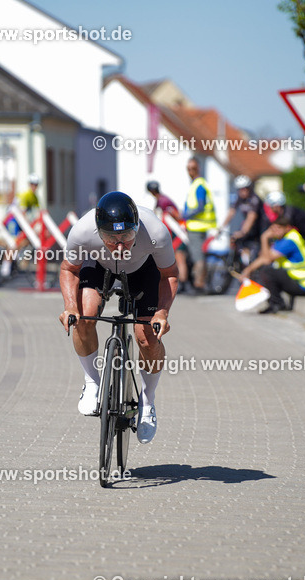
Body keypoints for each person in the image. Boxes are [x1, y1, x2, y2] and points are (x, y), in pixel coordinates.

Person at [58, 191, 178, 444]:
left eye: (126, 236)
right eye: (111, 238)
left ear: (137, 228)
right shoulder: (82, 231)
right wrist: (70, 307)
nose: (120, 246)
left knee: (147, 338)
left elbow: (169, 274)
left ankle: (148, 400)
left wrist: (162, 312)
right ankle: (92, 381)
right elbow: (69, 269)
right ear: (98, 232)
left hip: (142, 270)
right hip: (99, 265)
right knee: (83, 318)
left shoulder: (155, 231)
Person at [239, 212, 305, 314]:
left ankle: (277, 303)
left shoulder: (289, 240)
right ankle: (273, 302)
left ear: (287, 228)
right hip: (296, 280)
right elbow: (263, 257)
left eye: (278, 228)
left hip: (302, 284)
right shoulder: (283, 239)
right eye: (273, 229)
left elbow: (267, 259)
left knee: (267, 271)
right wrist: (247, 270)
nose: (275, 232)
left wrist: (264, 238)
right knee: (265, 271)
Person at [147, 180, 189, 292]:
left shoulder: (162, 201)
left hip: (178, 233)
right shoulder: (162, 199)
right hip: (175, 232)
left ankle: (183, 284)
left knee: (180, 259)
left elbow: (176, 215)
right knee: (178, 258)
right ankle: (183, 283)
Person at [181, 157, 216, 293]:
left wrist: (185, 216)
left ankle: (200, 285)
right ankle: (199, 283)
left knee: (198, 257)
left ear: (198, 169)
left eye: (193, 168)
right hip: (198, 226)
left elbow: (200, 207)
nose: (190, 171)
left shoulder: (199, 185)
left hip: (197, 227)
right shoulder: (197, 184)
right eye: (188, 169)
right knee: (197, 256)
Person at [223, 175, 265, 266]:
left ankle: (250, 267)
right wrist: (221, 228)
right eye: (240, 189)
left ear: (249, 188)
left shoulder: (254, 199)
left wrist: (242, 232)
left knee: (253, 249)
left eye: (245, 189)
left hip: (260, 228)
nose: (243, 191)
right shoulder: (240, 199)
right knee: (236, 242)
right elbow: (231, 212)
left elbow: (251, 217)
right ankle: (243, 262)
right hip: (249, 227)